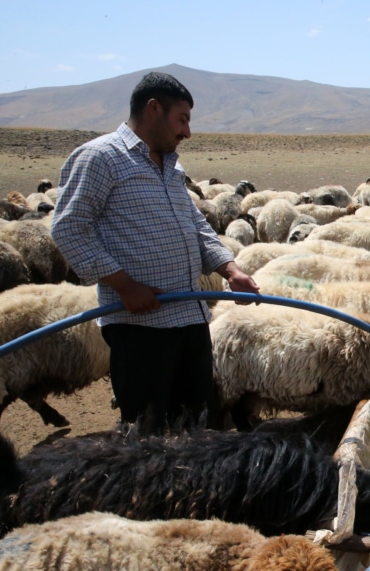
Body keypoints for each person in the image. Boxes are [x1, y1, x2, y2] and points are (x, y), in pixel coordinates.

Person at [51, 71, 259, 432]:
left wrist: (230, 270)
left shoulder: (171, 166)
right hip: (141, 326)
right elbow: (69, 228)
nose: (187, 133)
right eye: (182, 120)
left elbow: (195, 227)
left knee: (200, 423)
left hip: (190, 318)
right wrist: (125, 286)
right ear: (153, 109)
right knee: (147, 431)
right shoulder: (100, 157)